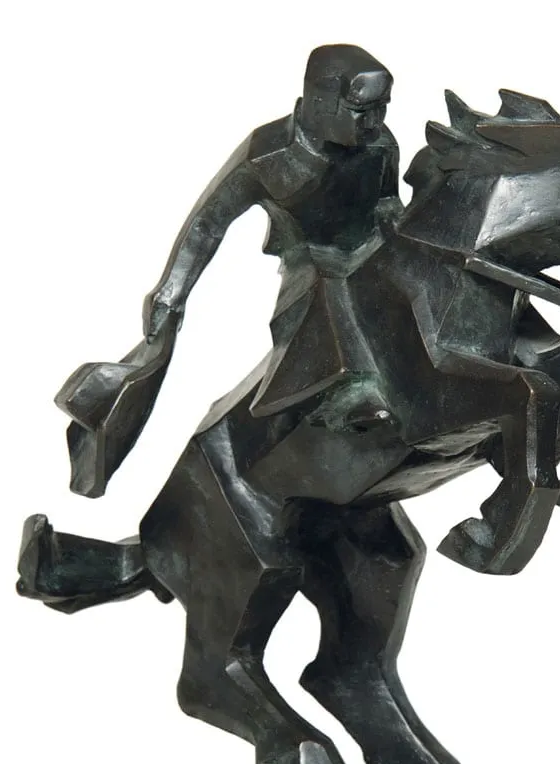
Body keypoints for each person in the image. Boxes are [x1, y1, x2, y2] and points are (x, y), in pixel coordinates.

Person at [59, 44, 401, 498]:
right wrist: (172, 291)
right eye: (362, 109)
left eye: (381, 107)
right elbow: (209, 221)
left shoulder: (380, 146)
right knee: (326, 296)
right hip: (313, 265)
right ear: (321, 102)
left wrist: (396, 221)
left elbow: (387, 203)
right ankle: (345, 400)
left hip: (373, 256)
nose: (374, 121)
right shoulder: (268, 154)